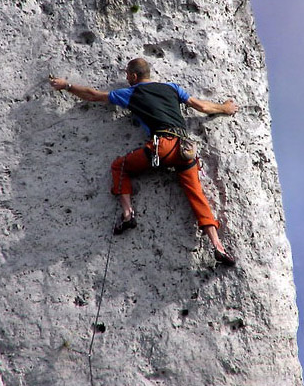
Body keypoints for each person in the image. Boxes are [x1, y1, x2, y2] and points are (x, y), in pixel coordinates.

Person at [49, 57, 239, 266]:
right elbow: (201, 106)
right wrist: (225, 108)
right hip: (186, 150)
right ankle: (217, 245)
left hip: (163, 147)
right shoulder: (172, 88)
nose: (126, 78)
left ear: (133, 76)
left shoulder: (131, 93)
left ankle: (128, 214)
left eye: (127, 75)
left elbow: (93, 96)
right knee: (197, 195)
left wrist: (66, 86)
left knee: (120, 166)